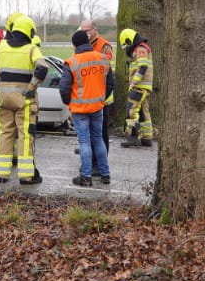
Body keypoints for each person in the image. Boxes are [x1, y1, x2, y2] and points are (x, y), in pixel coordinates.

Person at [0, 13, 48, 185]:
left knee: (6, 133)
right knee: (25, 136)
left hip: (4, 99)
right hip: (23, 101)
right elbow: (42, 68)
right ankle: (26, 176)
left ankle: (2, 173)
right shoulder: (32, 49)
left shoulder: (1, 46)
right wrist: (31, 87)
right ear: (29, 32)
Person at [59, 29, 111, 186]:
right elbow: (110, 83)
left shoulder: (72, 62)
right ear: (88, 42)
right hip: (97, 107)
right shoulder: (103, 59)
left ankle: (86, 177)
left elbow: (64, 87)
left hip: (80, 109)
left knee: (84, 142)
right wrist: (102, 98)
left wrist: (69, 102)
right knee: (98, 139)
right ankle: (105, 174)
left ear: (74, 45)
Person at [79, 18, 116, 146]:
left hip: (102, 96)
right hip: (86, 96)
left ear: (95, 30)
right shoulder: (80, 45)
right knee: (86, 131)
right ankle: (89, 159)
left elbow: (104, 70)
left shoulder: (104, 46)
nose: (84, 33)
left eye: (87, 30)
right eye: (82, 30)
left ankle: (101, 161)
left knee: (100, 132)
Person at [120, 27, 155, 147]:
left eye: (126, 44)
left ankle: (132, 137)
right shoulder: (142, 48)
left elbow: (143, 67)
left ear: (129, 40)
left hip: (139, 86)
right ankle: (147, 138)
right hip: (144, 86)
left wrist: (134, 82)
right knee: (143, 111)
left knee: (131, 110)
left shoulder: (140, 49)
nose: (127, 48)